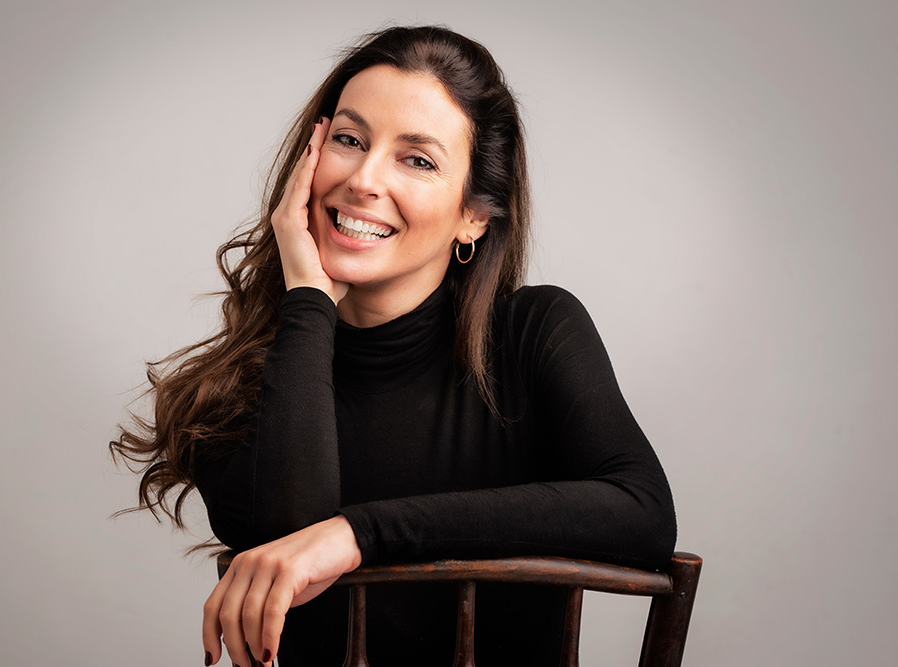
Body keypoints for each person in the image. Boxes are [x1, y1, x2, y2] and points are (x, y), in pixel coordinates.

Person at [111, 25, 676, 667]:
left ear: (475, 216)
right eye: (349, 141)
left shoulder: (533, 331)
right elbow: (289, 539)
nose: (363, 180)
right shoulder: (233, 394)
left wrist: (361, 532)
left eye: (418, 159)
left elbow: (644, 515)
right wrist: (307, 297)